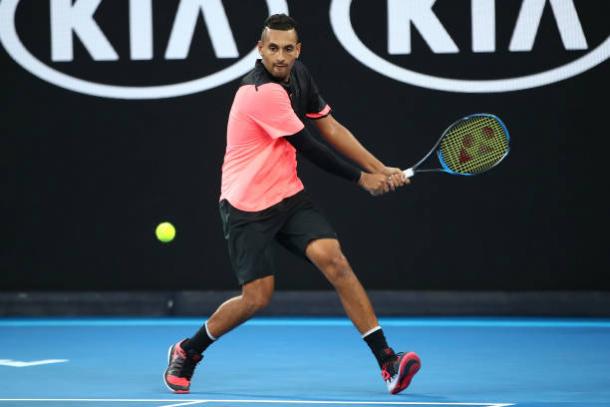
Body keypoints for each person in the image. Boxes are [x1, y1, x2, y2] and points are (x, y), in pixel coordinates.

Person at [164, 14, 420, 395]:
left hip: (288, 194)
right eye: (272, 48)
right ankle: (189, 349)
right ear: (260, 49)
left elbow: (331, 128)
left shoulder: (299, 75)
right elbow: (310, 146)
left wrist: (380, 167)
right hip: (246, 205)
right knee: (257, 298)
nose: (280, 57)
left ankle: (388, 361)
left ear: (297, 50)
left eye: (288, 49)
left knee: (336, 262)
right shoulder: (259, 92)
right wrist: (361, 179)